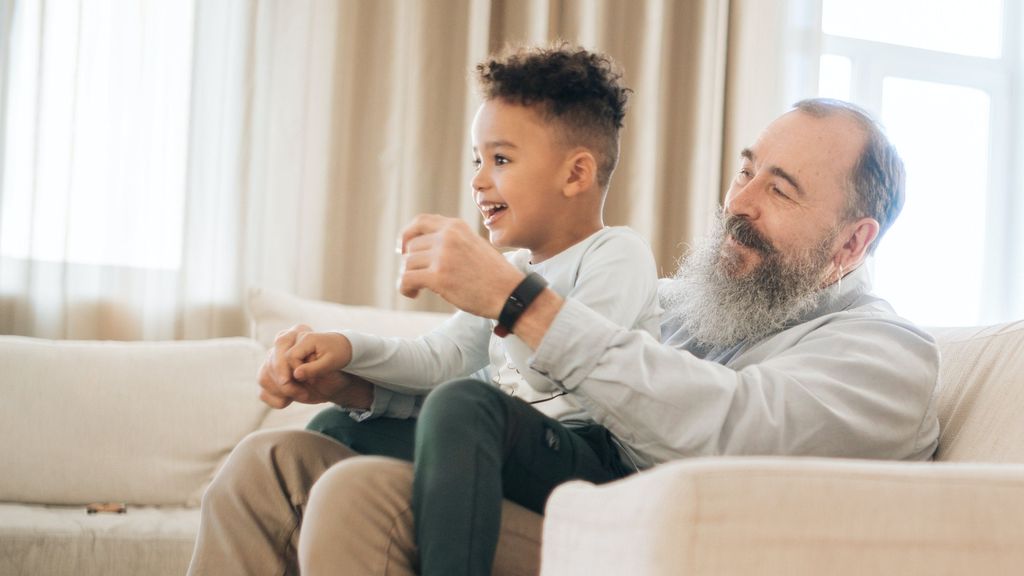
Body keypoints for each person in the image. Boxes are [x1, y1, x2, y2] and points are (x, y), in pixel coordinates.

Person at [290, 97, 941, 574]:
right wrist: (363, 387)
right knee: (294, 460)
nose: (740, 204)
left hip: (668, 553)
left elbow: (727, 432)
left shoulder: (887, 357)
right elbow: (509, 382)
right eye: (746, 173)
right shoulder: (683, 307)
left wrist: (518, 301)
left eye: (781, 190)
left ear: (853, 242)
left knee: (358, 492)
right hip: (589, 514)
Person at [187, 44, 662, 576]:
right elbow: (443, 355)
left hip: (583, 458)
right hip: (497, 450)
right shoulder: (514, 267)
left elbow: (570, 364)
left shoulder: (618, 252)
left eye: (500, 159)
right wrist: (346, 349)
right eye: (476, 160)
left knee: (463, 404)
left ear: (576, 174)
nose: (479, 179)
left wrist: (502, 295)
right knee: (330, 428)